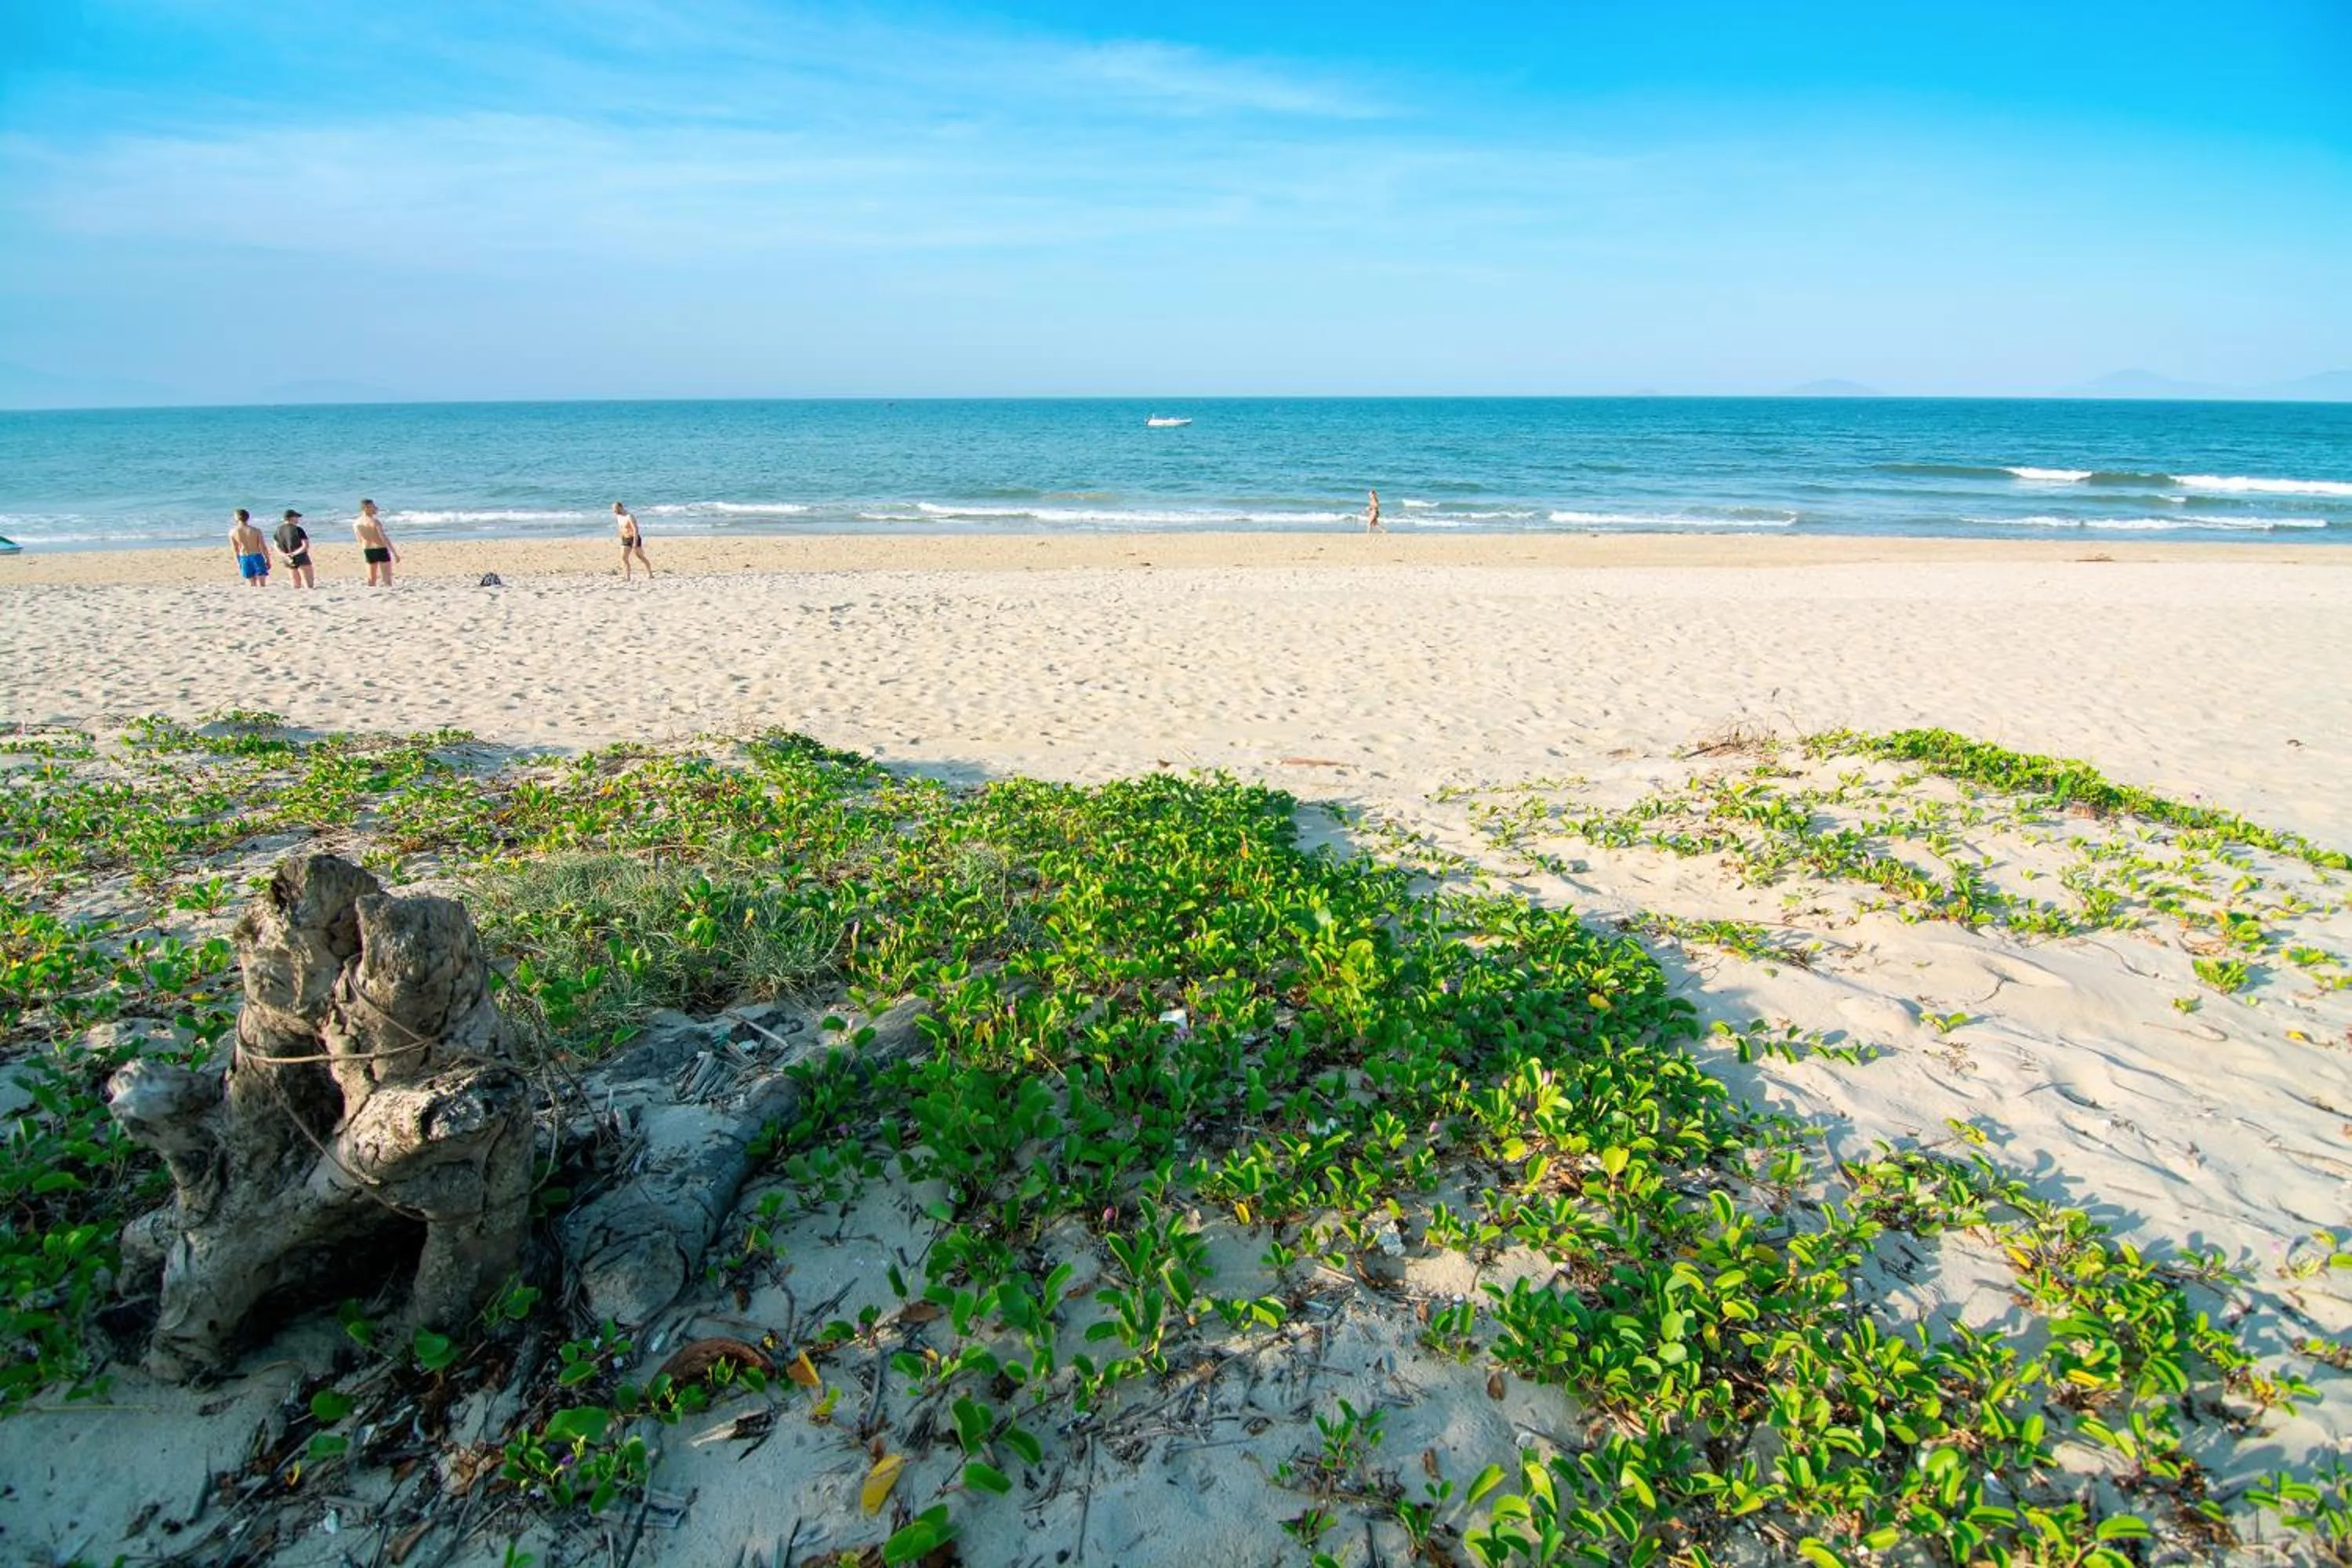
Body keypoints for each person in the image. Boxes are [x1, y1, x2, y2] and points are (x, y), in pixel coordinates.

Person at [354, 499, 398, 586]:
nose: (376, 508)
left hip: (368, 550)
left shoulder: (356, 523)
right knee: (387, 579)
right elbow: (383, 538)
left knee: (371, 579)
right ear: (366, 508)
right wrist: (394, 553)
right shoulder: (375, 522)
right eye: (373, 507)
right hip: (380, 549)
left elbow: (359, 539)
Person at [274, 509, 317, 588]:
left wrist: (283, 554)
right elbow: (305, 545)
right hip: (301, 557)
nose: (298, 519)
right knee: (309, 585)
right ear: (292, 518)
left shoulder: (278, 530)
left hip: (287, 558)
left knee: (295, 584)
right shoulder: (298, 529)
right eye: (296, 517)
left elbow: (276, 545)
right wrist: (294, 553)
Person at [230, 509, 269, 587]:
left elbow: (235, 550)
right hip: (257, 556)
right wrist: (267, 559)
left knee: (252, 584)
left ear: (237, 518)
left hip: (244, 557)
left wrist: (238, 562)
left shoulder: (233, 532)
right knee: (262, 584)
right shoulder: (256, 531)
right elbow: (262, 547)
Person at [614, 501, 652, 580]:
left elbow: (635, 529)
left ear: (620, 508)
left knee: (640, 556)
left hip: (634, 538)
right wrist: (621, 536)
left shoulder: (629, 516)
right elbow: (621, 528)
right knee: (624, 558)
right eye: (614, 509)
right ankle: (628, 577)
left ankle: (650, 573)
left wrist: (635, 542)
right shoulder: (618, 516)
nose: (614, 511)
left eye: (616, 509)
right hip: (625, 538)